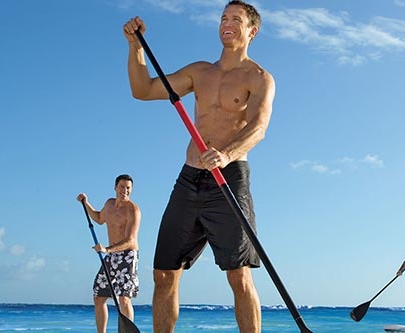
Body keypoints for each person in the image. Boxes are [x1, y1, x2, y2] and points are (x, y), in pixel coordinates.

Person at [122, 1, 274, 332]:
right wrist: (135, 47)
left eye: (235, 19)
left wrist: (227, 153)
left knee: (238, 274)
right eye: (223, 18)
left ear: (252, 30)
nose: (226, 23)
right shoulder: (200, 72)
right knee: (163, 273)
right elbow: (143, 90)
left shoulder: (258, 77)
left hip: (229, 178)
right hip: (189, 179)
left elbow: (259, 127)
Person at [77, 174, 141, 333]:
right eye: (122, 187)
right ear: (115, 187)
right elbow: (99, 218)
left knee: (123, 298)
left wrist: (107, 249)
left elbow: (131, 240)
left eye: (128, 188)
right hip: (111, 256)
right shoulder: (109, 204)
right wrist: (85, 204)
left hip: (127, 256)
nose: (124, 191)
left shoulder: (133, 210)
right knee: (98, 297)